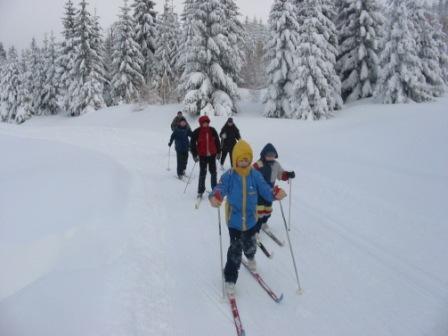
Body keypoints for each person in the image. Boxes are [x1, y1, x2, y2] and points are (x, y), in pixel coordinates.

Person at [209, 140, 287, 295]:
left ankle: (251, 257)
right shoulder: (230, 175)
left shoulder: (255, 175)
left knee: (250, 244)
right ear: (235, 159)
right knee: (235, 251)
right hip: (234, 221)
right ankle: (230, 278)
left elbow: (265, 189)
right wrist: (216, 196)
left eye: (247, 159)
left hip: (251, 219)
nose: (244, 162)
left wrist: (274, 194)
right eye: (241, 159)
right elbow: (220, 187)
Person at [253, 143, 295, 232]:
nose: (270, 157)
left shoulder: (276, 165)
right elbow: (252, 172)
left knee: (268, 209)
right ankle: (256, 228)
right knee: (259, 210)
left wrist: (287, 174)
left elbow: (280, 174)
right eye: (268, 155)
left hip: (271, 191)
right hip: (259, 191)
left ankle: (264, 223)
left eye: (272, 155)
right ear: (264, 154)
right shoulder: (259, 164)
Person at [190, 115, 221, 197]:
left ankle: (214, 190)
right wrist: (194, 155)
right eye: (204, 123)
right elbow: (192, 144)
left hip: (212, 155)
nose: (205, 124)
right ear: (201, 123)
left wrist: (219, 152)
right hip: (202, 156)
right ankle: (200, 191)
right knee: (202, 173)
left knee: (213, 173)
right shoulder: (197, 131)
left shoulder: (212, 130)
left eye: (207, 123)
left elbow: (217, 141)